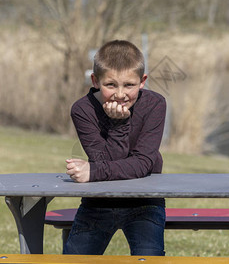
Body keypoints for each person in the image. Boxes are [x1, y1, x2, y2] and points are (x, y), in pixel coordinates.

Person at [63, 40, 167, 256]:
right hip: (98, 202)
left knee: (150, 261)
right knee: (73, 262)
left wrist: (93, 172)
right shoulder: (83, 110)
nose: (120, 94)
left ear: (142, 81)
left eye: (129, 85)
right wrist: (118, 124)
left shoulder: (155, 105)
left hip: (145, 201)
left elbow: (143, 164)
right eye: (111, 85)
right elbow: (105, 161)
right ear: (95, 80)